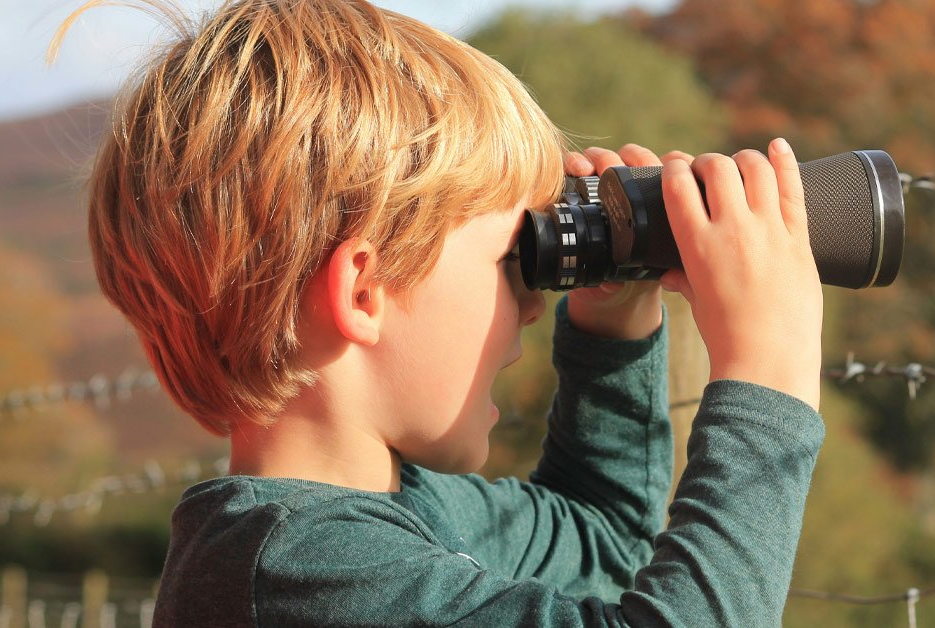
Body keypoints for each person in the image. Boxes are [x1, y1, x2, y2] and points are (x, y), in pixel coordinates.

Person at [53, 0, 825, 625]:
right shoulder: (302, 574)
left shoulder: (367, 514)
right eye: (506, 260)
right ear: (363, 291)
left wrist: (611, 319)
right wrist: (769, 370)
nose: (531, 302)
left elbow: (601, 548)